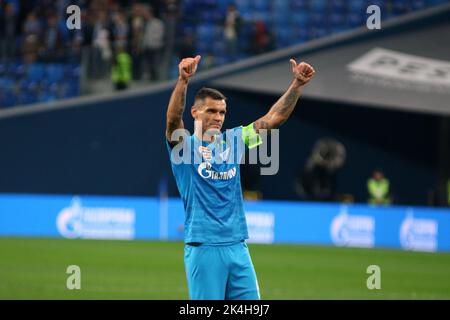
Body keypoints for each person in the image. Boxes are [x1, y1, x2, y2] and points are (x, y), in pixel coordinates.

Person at [165, 55, 315, 299]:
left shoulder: (233, 140)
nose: (218, 117)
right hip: (204, 247)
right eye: (211, 111)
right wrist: (183, 81)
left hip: (237, 246)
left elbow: (272, 119)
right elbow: (172, 121)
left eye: (222, 112)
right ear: (194, 112)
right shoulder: (184, 148)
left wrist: (296, 85)